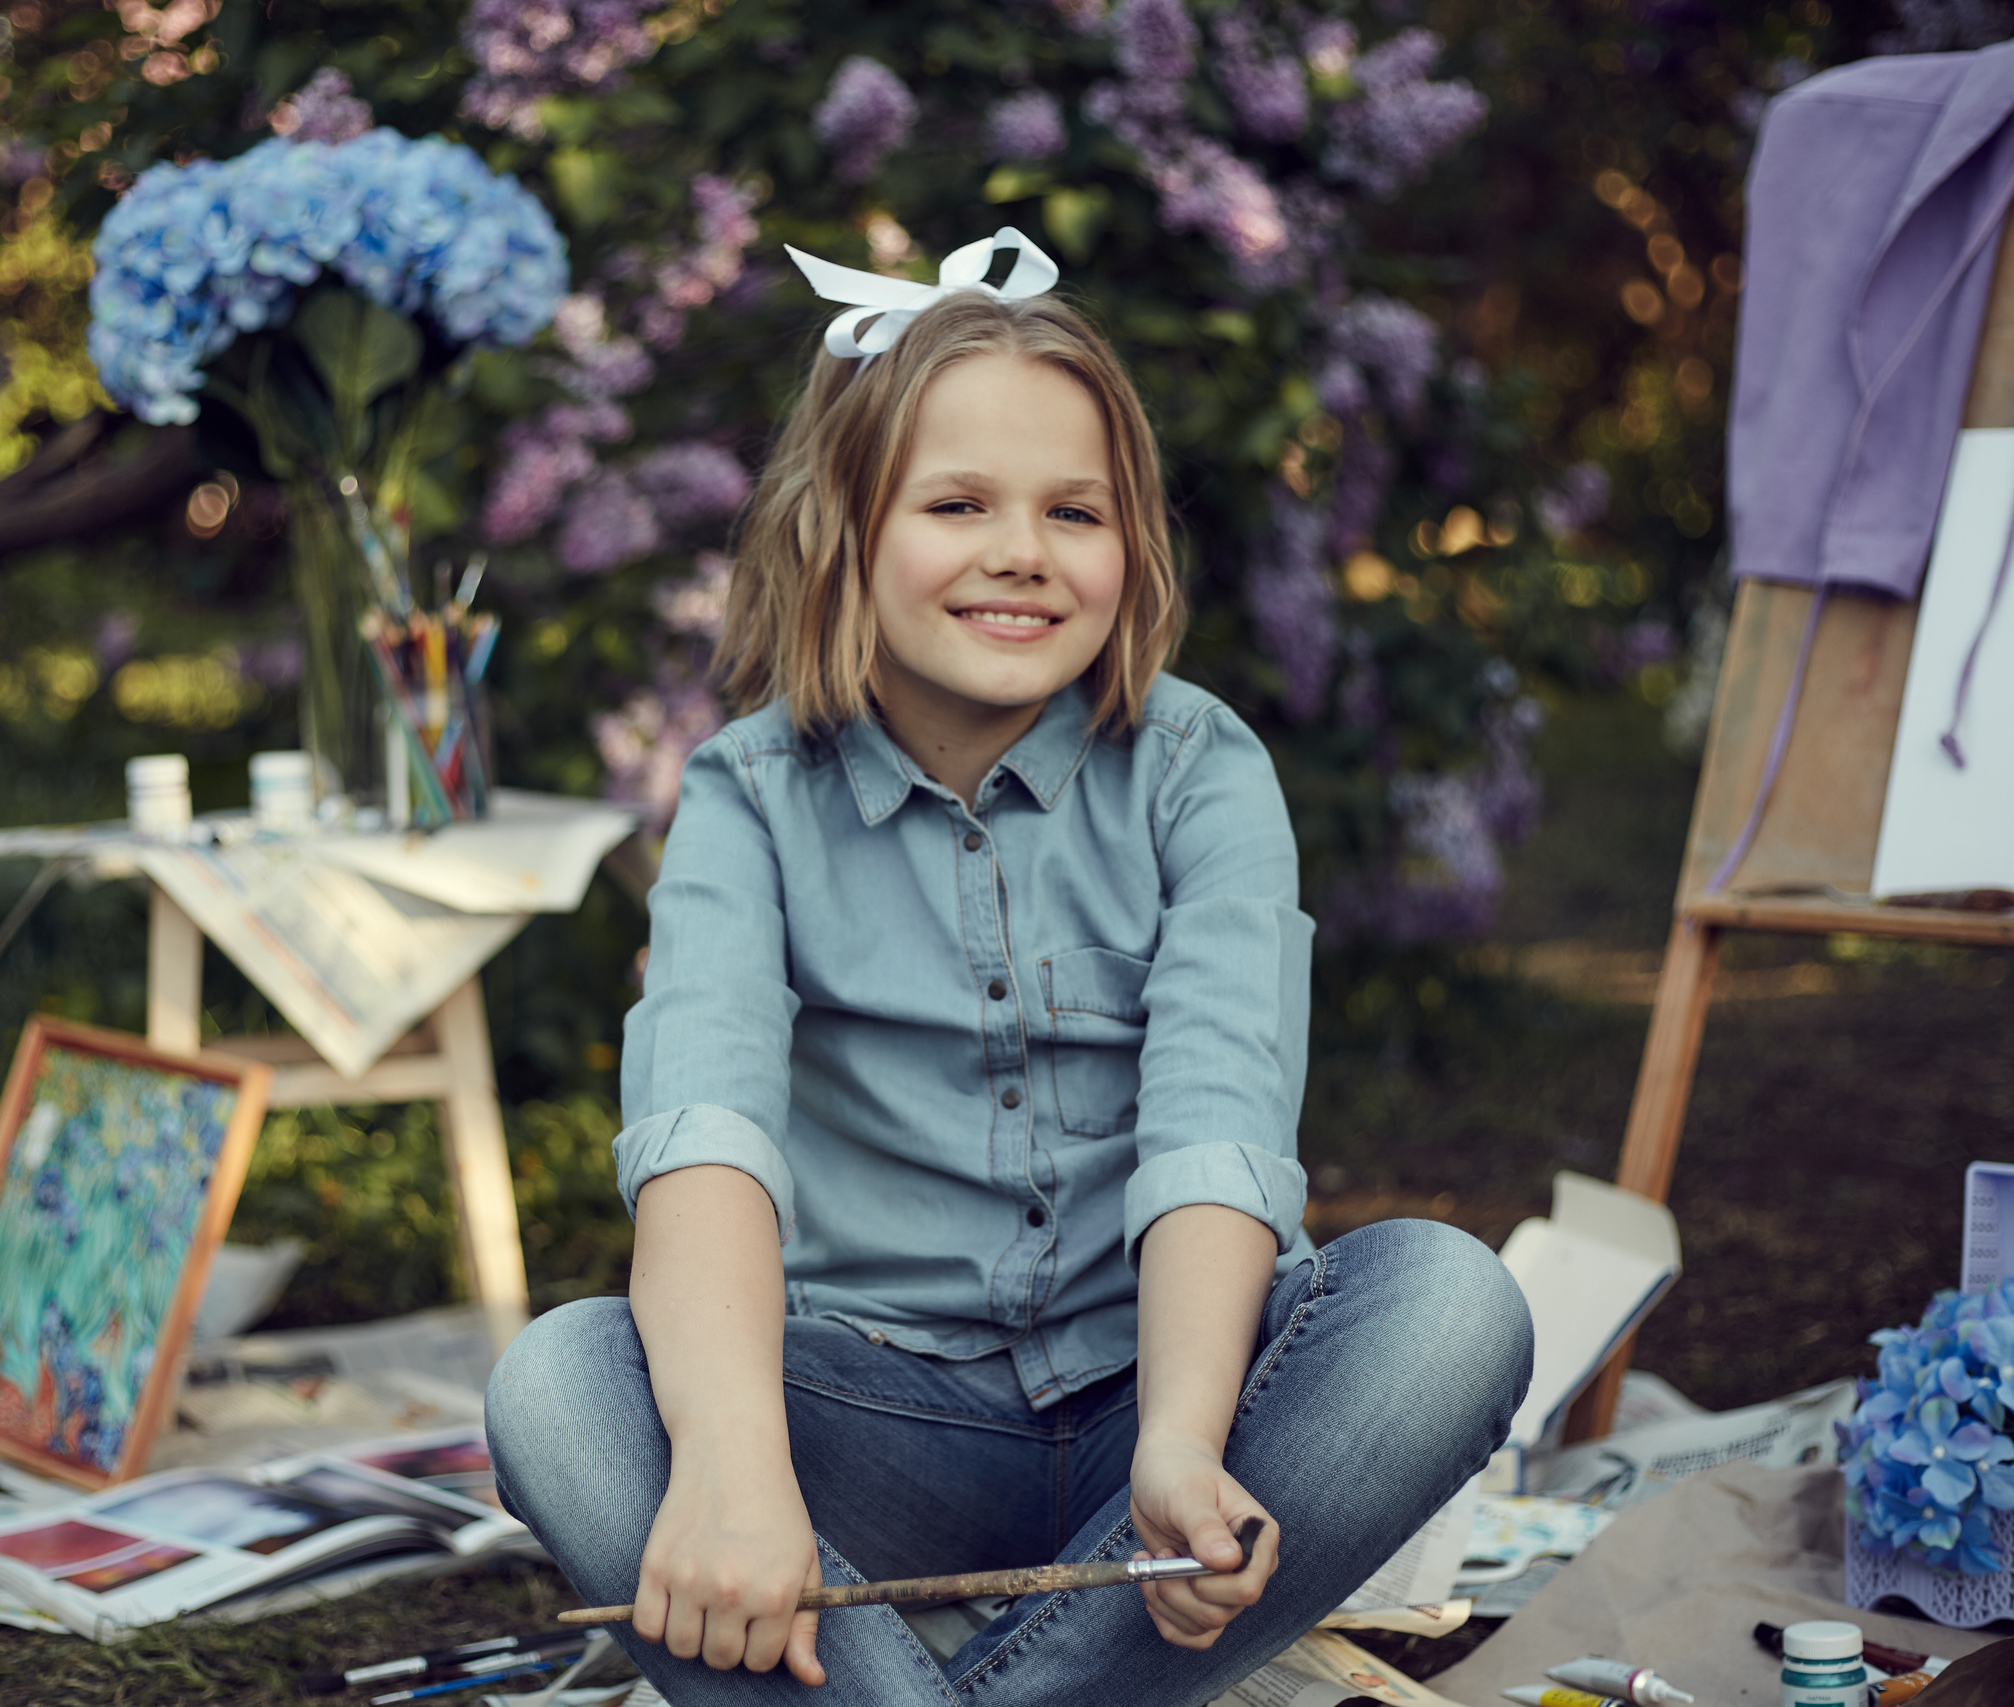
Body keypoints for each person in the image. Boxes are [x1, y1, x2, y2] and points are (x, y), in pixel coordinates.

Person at [485, 228, 1532, 1707]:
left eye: (1075, 511)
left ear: (1132, 547)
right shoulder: (748, 794)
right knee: (561, 1389)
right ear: (843, 531)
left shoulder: (1200, 769)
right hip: (868, 1422)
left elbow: (1216, 1122)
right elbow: (703, 1133)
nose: (1024, 552)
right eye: (958, 503)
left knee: (1451, 1304)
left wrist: (1182, 1440)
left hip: (1162, 1405)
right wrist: (732, 1469)